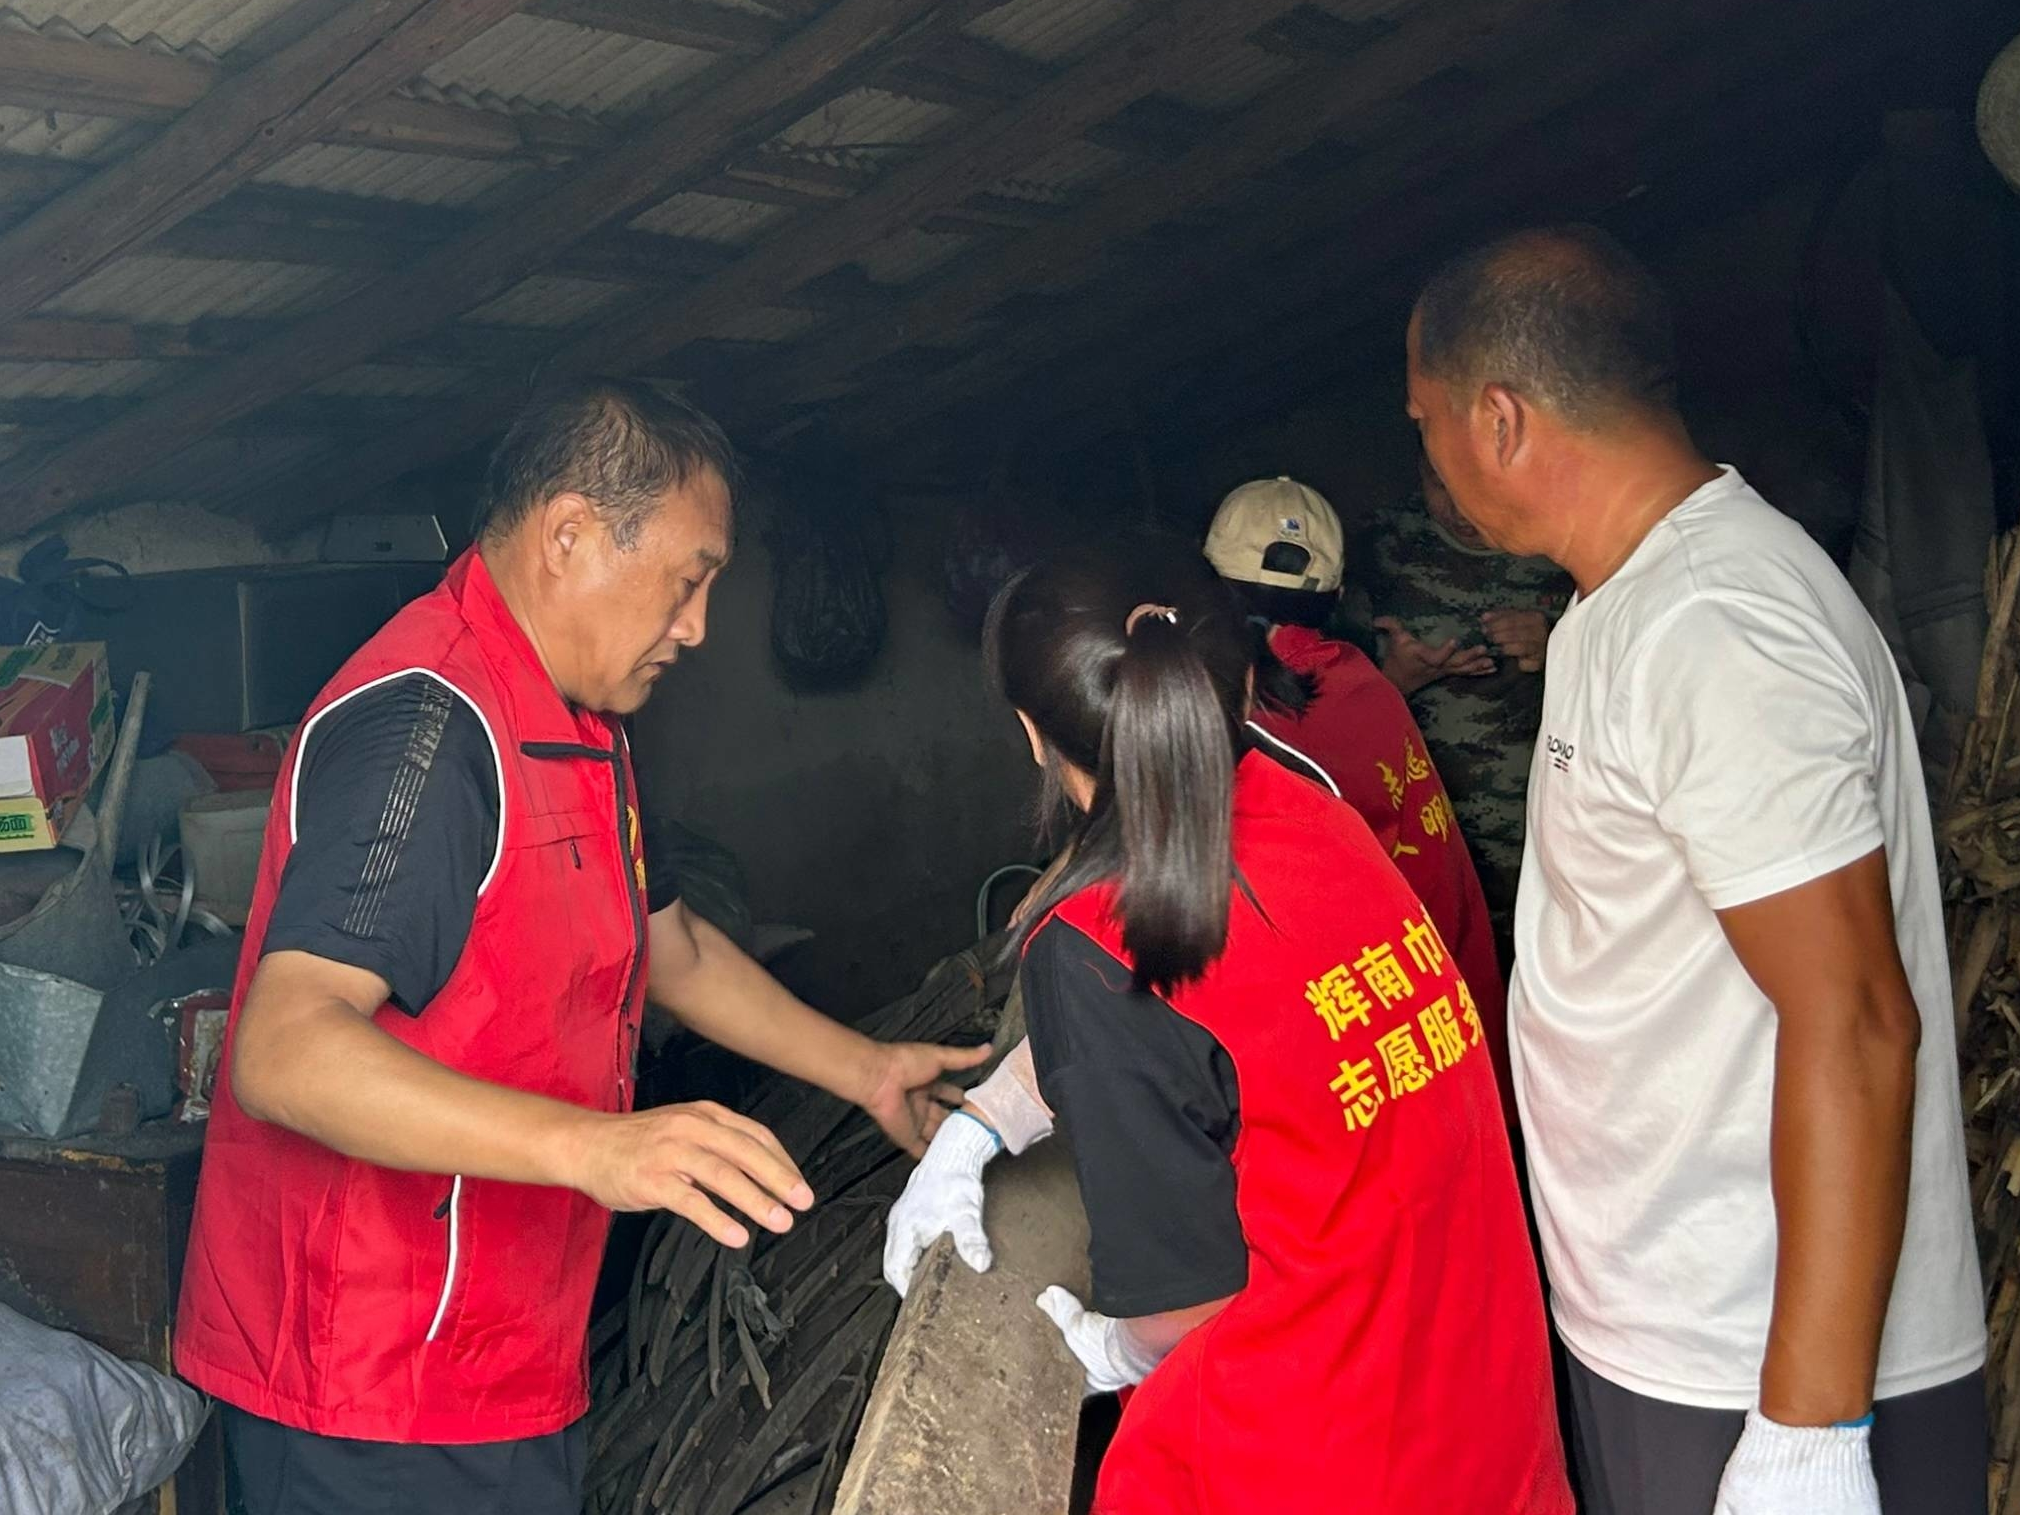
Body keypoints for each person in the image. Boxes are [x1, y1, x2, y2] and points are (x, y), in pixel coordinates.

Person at [173, 380, 985, 1515]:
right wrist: (602, 1150)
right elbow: (286, 1049)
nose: (698, 625)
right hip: (366, 1383)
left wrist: (867, 1071)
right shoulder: (428, 726)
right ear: (570, 534)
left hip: (503, 1352)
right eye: (690, 577)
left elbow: (673, 948)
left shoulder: (579, 724)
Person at [1406, 225, 1985, 1515]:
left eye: (1427, 422)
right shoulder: (1629, 604)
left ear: (1497, 420)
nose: (1429, 460)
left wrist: (1810, 1430)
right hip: (1681, 1325)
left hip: (1758, 1359)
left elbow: (1855, 1021)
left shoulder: (1715, 626)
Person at [944, 547, 1572, 1513]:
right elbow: (1238, 1032)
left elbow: (1179, 1308)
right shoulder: (1316, 810)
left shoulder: (1089, 945)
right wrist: (994, 1112)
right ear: (1238, 682)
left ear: (1034, 732)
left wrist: (1115, 1347)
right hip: (1481, 1416)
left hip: (1311, 1450)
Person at [1204, 474, 1509, 1110]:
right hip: (1454, 1021)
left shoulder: (1238, 726)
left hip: (1376, 1056)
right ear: (1339, 596)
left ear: (1207, 589)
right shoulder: (1363, 684)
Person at [1352, 449, 1572, 940]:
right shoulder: (1381, 549)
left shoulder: (1563, 540)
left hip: (1547, 838)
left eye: (1469, 480)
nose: (1456, 506)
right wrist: (1397, 680)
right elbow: (1318, 708)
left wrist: (1559, 639)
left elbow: (1639, 658)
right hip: (1427, 835)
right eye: (1438, 483)